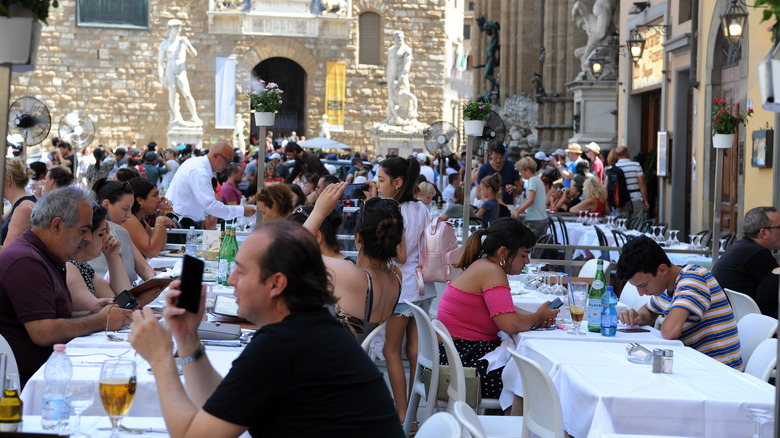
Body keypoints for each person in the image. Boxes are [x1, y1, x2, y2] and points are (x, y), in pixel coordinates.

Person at [128, 221, 404, 437]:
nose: (232, 280)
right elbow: (222, 408)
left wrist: (161, 357)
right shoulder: (306, 328)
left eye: (241, 271)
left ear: (276, 284)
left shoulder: (284, 344)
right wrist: (187, 337)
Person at [0, 187, 132, 387]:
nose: (88, 238)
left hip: (49, 371)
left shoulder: (46, 257)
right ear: (57, 226)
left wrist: (91, 313)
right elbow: (43, 332)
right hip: (27, 384)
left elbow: (50, 318)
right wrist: (99, 320)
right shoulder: (25, 261)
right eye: (83, 230)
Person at [437, 218, 558, 399]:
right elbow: (509, 325)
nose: (527, 261)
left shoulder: (482, 265)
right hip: (462, 365)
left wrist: (537, 315)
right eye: (523, 255)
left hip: (450, 356)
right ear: (503, 252)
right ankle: (516, 425)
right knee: (535, 381)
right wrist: (538, 317)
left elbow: (504, 310)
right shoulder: (492, 271)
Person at [616, 236, 742, 369]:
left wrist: (665, 322)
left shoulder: (694, 279)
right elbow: (649, 311)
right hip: (694, 363)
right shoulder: (667, 285)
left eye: (644, 285)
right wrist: (636, 317)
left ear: (662, 270)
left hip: (719, 369)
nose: (641, 293)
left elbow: (670, 332)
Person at [302, 183, 404, 342]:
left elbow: (296, 251)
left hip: (333, 362)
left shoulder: (351, 275)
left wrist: (318, 212)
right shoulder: (396, 277)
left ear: (358, 238)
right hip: (358, 360)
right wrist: (376, 208)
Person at [376, 156, 434, 421]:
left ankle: (402, 415)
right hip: (423, 287)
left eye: (380, 180)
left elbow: (399, 255)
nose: (377, 185)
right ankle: (412, 416)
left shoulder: (394, 210)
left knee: (391, 351)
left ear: (397, 183)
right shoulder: (421, 207)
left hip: (403, 287)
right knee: (415, 353)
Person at [167, 141, 255, 228]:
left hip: (182, 220)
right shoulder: (200, 172)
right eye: (227, 161)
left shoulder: (197, 164)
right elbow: (211, 206)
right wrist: (242, 211)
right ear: (215, 156)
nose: (228, 166)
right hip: (179, 222)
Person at [67, 204, 133, 312]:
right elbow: (109, 309)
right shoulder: (69, 266)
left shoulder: (83, 267)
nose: (108, 238)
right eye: (101, 234)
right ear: (84, 235)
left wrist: (112, 256)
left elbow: (123, 296)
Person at [90, 179, 156, 283]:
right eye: (125, 209)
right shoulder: (117, 231)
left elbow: (145, 269)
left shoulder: (122, 232)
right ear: (106, 204)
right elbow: (146, 270)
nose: (129, 214)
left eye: (130, 209)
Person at [711, 206, 780, 299]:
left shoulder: (741, 248)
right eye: (779, 227)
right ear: (764, 233)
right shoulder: (758, 255)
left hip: (728, 311)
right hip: (737, 312)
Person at [158, 19, 202, 126]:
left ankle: (194, 116)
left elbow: (194, 53)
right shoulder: (164, 44)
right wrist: (161, 76)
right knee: (172, 93)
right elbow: (160, 62)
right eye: (175, 27)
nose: (178, 29)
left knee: (187, 94)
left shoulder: (183, 41)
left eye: (179, 27)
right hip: (170, 70)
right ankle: (176, 116)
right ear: (170, 29)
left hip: (181, 70)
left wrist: (188, 45)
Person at [123, 178, 175, 259]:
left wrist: (161, 217)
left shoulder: (140, 220)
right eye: (155, 195)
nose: (159, 199)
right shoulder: (129, 219)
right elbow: (152, 252)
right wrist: (160, 221)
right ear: (140, 200)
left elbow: (160, 248)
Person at [384, 30, 419, 125]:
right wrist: (388, 77)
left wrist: (402, 76)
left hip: (402, 75)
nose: (400, 39)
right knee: (391, 96)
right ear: (394, 38)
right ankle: (392, 117)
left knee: (405, 95)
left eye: (401, 37)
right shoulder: (391, 50)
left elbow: (407, 65)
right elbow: (389, 64)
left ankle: (409, 115)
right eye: (398, 37)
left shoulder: (406, 49)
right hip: (392, 75)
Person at [1, 157, 36, 247]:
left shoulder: (23, 209)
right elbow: (2, 220)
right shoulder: (21, 202)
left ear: (7, 181)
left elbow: (7, 251)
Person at [512, 157, 547, 239]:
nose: (521, 174)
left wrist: (518, 211)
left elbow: (531, 200)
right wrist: (518, 210)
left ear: (527, 170)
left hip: (534, 220)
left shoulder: (532, 181)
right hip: (542, 218)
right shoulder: (538, 180)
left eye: (521, 171)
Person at [613, 145, 649, 221]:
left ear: (617, 156)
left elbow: (608, 187)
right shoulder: (636, 165)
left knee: (621, 226)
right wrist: (645, 200)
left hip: (620, 200)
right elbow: (641, 184)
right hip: (636, 198)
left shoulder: (612, 168)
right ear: (627, 153)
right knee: (636, 225)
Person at [475, 15, 501, 100]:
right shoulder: (490, 40)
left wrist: (485, 20)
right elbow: (484, 29)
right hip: (488, 59)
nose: (487, 32)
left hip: (491, 58)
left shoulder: (494, 37)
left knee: (486, 75)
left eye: (488, 29)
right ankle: (492, 90)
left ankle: (498, 85)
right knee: (489, 75)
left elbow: (494, 27)